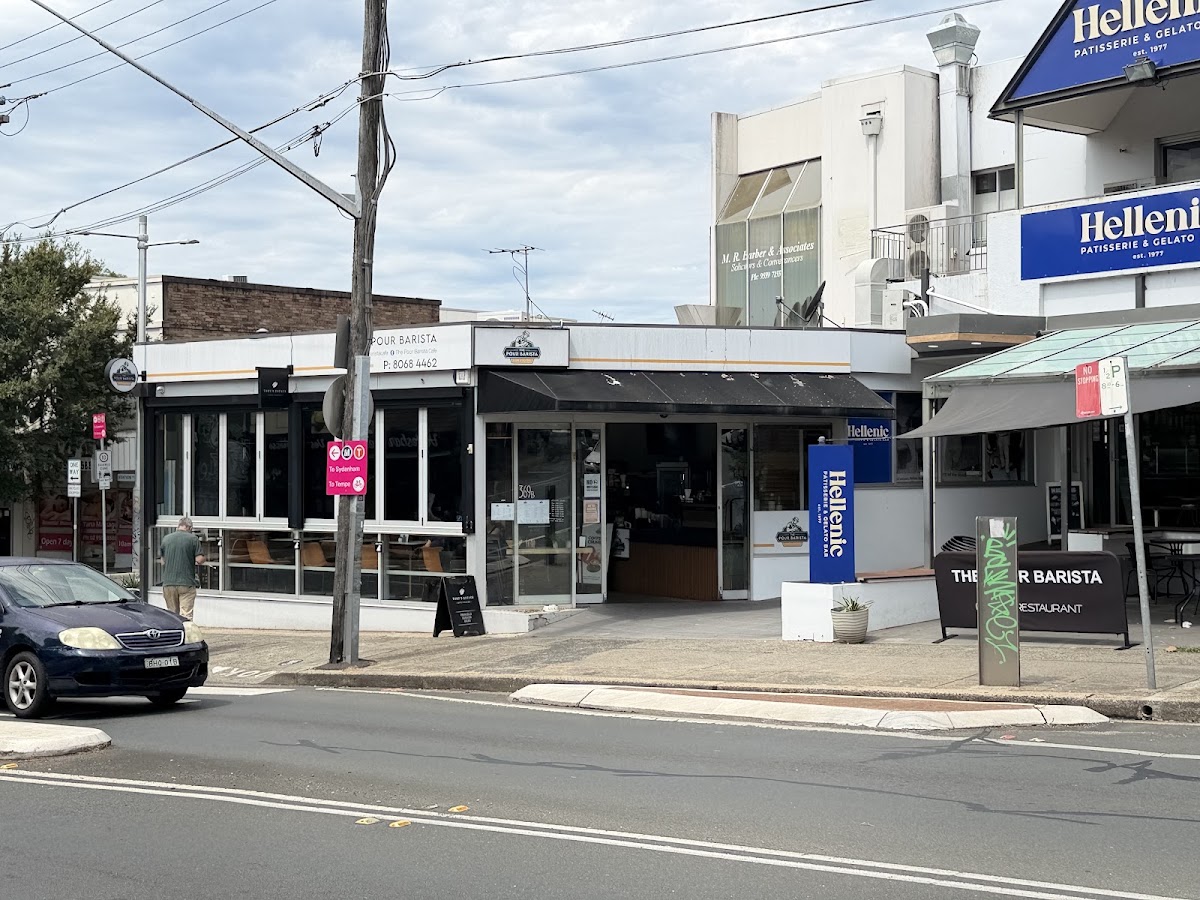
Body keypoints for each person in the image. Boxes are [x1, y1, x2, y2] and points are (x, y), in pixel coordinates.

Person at [158, 516, 204, 621]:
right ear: (189, 527)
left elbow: (163, 561)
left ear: (178, 526)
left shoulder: (166, 539)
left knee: (172, 614)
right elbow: (199, 560)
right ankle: (186, 636)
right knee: (186, 615)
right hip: (186, 582)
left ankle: (173, 634)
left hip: (168, 583)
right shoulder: (193, 539)